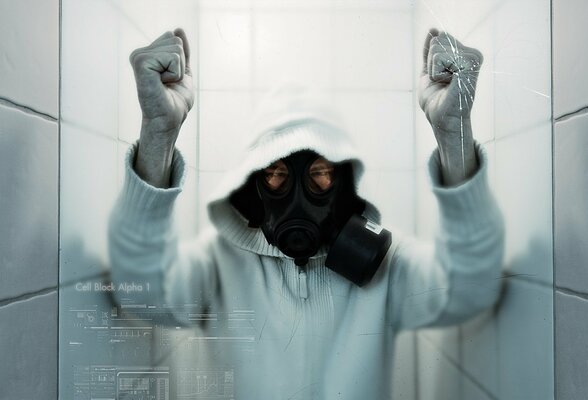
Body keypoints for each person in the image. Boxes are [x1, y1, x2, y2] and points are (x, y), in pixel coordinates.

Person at [109, 27, 504, 399]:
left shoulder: (385, 265)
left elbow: (468, 289)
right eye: (276, 176)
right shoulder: (219, 262)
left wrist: (454, 133)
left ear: (346, 184)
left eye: (321, 176)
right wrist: (158, 131)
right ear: (250, 187)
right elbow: (143, 295)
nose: (298, 196)